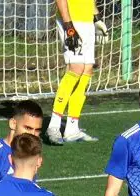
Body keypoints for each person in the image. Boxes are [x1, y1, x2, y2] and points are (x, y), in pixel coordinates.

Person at [47, 0, 108, 143]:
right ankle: (53, 126)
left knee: (87, 70)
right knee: (76, 68)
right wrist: (69, 26)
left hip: (87, 21)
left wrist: (96, 18)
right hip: (71, 21)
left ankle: (72, 129)